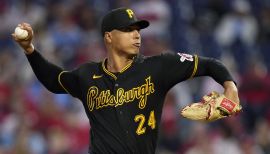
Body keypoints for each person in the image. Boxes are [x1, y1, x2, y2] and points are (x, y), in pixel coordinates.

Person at [12, 7, 240, 154]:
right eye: (128, 29)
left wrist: (230, 87)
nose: (136, 34)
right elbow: (54, 80)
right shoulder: (87, 75)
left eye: (138, 29)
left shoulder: (158, 66)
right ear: (109, 37)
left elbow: (210, 64)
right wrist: (30, 50)